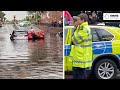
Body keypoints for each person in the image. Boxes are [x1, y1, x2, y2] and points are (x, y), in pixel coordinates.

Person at [69, 13, 92, 79]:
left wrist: (76, 29)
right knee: (77, 75)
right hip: (78, 56)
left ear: (83, 20)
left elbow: (74, 40)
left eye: (78, 19)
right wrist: (76, 27)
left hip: (81, 57)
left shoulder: (84, 29)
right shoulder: (80, 28)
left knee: (81, 75)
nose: (77, 21)